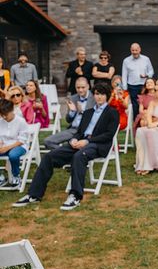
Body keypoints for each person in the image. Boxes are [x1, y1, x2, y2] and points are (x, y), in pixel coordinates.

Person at [13, 81, 119, 211]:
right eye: (97, 94)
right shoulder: (88, 112)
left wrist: (87, 142)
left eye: (102, 94)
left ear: (107, 96)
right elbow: (80, 132)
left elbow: (109, 135)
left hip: (97, 145)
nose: (99, 97)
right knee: (49, 156)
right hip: (80, 142)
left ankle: (75, 196)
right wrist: (74, 139)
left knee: (79, 156)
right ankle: (33, 194)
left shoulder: (112, 112)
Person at [44, 76, 95, 150]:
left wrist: (82, 112)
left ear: (88, 86)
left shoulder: (95, 98)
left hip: (87, 131)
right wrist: (72, 111)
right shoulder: (73, 98)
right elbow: (68, 120)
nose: (80, 90)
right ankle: (65, 153)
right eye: (78, 87)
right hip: (73, 130)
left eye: (83, 87)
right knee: (48, 141)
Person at [0, 99, 29, 188]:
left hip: (19, 145)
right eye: (1, 114)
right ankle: (1, 177)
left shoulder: (20, 121)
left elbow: (22, 140)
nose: (4, 117)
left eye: (6, 114)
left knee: (13, 155)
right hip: (4, 145)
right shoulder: (1, 121)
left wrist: (7, 148)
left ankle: (16, 176)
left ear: (12, 110)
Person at [122, 42, 154, 118]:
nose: (135, 52)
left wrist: (146, 75)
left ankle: (146, 120)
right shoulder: (126, 61)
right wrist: (125, 88)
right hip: (132, 86)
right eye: (133, 50)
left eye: (136, 50)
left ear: (140, 49)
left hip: (144, 85)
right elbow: (124, 75)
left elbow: (151, 71)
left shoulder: (146, 59)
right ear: (130, 50)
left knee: (146, 104)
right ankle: (136, 123)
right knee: (135, 106)